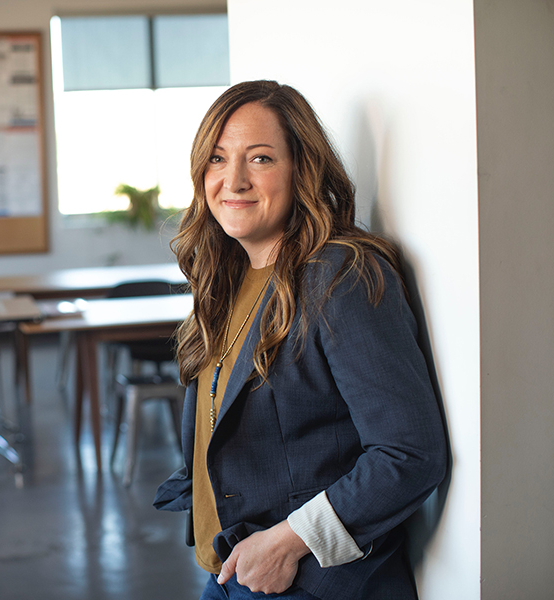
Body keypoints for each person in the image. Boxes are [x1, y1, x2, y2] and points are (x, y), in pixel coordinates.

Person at [154, 80, 446, 600]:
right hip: (232, 572)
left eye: (260, 158)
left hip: (306, 581)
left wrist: (290, 542)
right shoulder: (228, 278)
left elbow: (410, 452)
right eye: (217, 159)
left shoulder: (340, 277)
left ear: (300, 169)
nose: (233, 180)